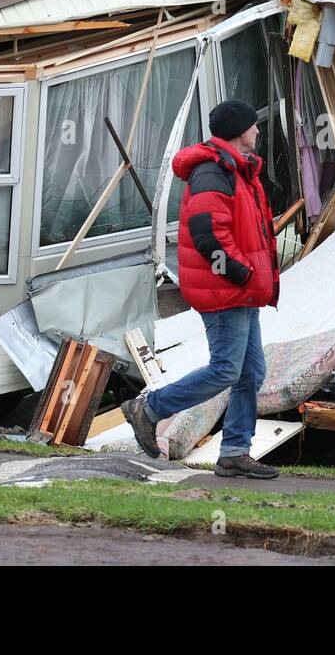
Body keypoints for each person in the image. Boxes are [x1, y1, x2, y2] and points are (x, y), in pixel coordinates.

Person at [121, 99, 281, 479]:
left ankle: (234, 452)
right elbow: (207, 235)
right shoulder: (213, 171)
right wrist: (240, 274)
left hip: (242, 292)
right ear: (241, 131)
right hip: (226, 292)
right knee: (227, 369)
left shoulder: (238, 170)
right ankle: (151, 408)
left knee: (250, 373)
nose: (258, 130)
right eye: (253, 125)